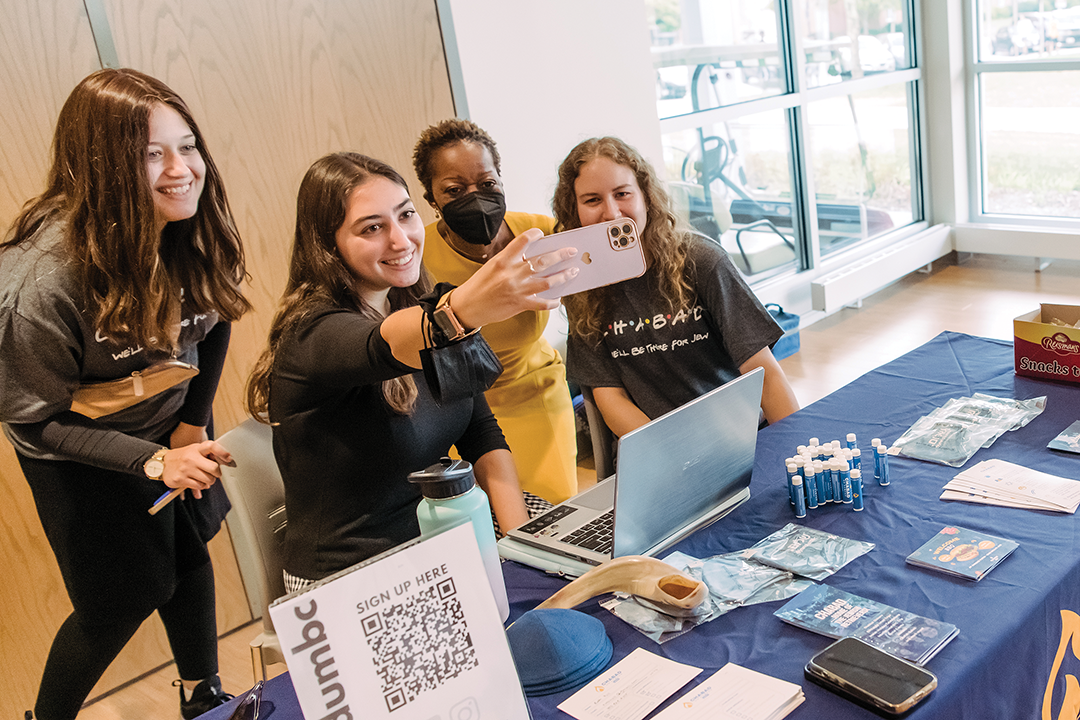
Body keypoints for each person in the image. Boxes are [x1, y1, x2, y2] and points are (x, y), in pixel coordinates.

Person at [0, 69, 251, 720]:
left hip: (165, 431)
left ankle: (205, 699)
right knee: (121, 599)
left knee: (189, 553)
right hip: (73, 450)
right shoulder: (41, 284)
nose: (181, 170)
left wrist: (190, 429)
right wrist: (152, 461)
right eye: (151, 155)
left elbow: (216, 317)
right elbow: (35, 423)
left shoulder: (193, 224)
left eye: (188, 145)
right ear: (100, 167)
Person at [245, 152, 575, 588]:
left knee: (579, 579)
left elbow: (481, 429)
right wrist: (463, 311)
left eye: (406, 216)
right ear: (328, 244)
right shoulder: (312, 334)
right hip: (353, 577)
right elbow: (380, 344)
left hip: (441, 536)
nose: (401, 241)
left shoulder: (423, 303)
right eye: (372, 228)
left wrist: (521, 543)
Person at [552, 137, 799, 439]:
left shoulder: (702, 261)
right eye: (593, 200)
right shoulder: (582, 288)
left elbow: (765, 373)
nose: (612, 213)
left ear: (645, 196)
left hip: (741, 436)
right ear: (574, 210)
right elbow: (610, 398)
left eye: (622, 194)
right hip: (659, 449)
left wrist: (795, 448)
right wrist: (669, 458)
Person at [412, 120, 578, 504]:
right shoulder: (418, 258)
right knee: (482, 519)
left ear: (501, 179)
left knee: (554, 514)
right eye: (455, 190)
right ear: (432, 199)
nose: (475, 197)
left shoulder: (539, 235)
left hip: (534, 391)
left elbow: (594, 305)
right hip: (457, 406)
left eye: (487, 184)